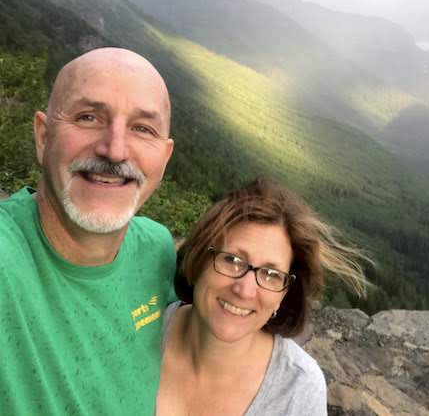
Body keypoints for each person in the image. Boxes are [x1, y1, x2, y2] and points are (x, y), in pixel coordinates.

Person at [0, 48, 176, 414]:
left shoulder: (158, 250)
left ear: (165, 157)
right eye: (88, 117)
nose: (114, 150)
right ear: (43, 136)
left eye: (143, 128)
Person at [157, 177, 369, 415]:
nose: (245, 290)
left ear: (283, 294)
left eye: (271, 274)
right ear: (198, 260)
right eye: (232, 260)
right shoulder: (143, 329)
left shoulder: (297, 389)